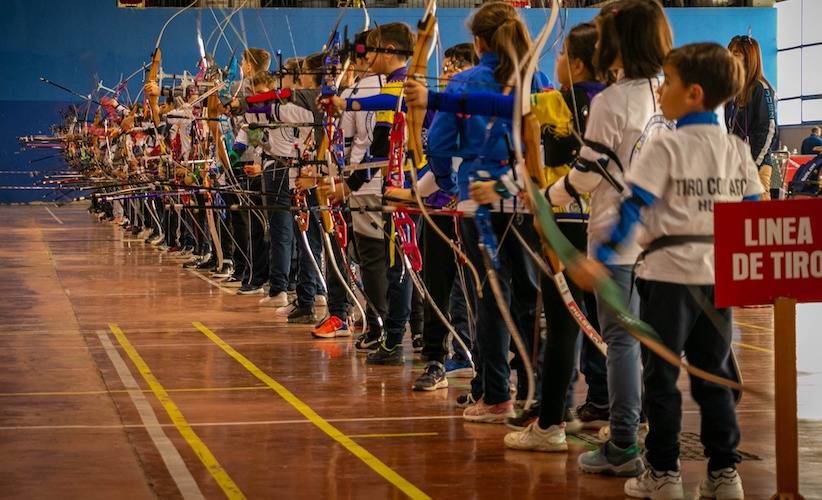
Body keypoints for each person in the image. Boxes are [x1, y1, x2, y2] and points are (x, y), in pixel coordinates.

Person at [576, 42, 758, 500]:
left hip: (667, 277)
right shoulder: (737, 148)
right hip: (718, 276)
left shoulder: (665, 146)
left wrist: (600, 258)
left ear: (694, 93)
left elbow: (633, 210)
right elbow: (755, 217)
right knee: (713, 374)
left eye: (670, 84)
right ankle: (724, 474)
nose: (661, 93)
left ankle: (664, 473)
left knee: (660, 378)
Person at [547, 0, 673, 476]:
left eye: (602, 37)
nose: (596, 46)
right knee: (659, 342)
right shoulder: (671, 93)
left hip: (618, 241)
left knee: (622, 340)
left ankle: (624, 443)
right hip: (666, 240)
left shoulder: (610, 101)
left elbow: (584, 175)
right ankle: (656, 446)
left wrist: (546, 195)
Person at [726, 35, 778, 200]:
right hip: (737, 168)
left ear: (749, 58)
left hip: (758, 167)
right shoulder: (732, 92)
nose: (730, 56)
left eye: (736, 53)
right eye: (730, 52)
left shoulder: (761, 88)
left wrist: (753, 165)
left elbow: (768, 130)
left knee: (760, 221)